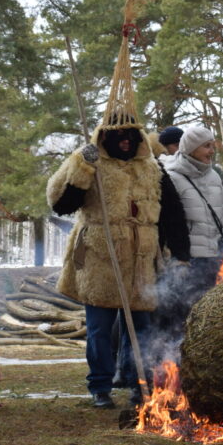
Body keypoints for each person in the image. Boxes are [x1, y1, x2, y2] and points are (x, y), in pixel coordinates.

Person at [48, 119, 164, 409]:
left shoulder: (150, 167)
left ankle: (139, 383)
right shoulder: (89, 160)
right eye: (118, 135)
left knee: (140, 328)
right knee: (100, 329)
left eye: (131, 135)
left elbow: (168, 208)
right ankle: (100, 386)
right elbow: (61, 203)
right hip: (102, 259)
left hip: (139, 260)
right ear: (105, 137)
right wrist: (82, 167)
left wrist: (173, 248)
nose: (125, 141)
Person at [163, 126, 223, 324]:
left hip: (213, 256)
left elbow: (217, 213)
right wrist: (178, 256)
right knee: (183, 312)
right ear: (191, 149)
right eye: (206, 146)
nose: (212, 151)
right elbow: (168, 221)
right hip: (187, 259)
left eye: (212, 146)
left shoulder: (214, 176)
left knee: (206, 314)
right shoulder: (171, 177)